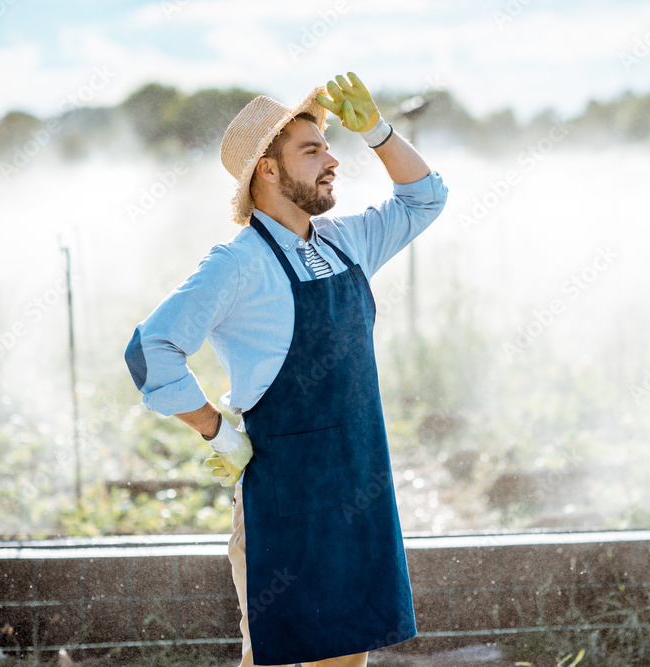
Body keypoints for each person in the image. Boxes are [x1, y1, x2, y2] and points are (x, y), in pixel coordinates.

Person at [124, 72, 448, 666]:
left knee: (349, 655)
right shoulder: (237, 263)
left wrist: (377, 132)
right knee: (273, 658)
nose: (332, 161)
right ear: (267, 171)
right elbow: (150, 351)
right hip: (285, 496)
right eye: (312, 149)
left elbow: (425, 197)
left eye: (328, 147)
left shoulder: (345, 242)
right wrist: (218, 431)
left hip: (358, 482)